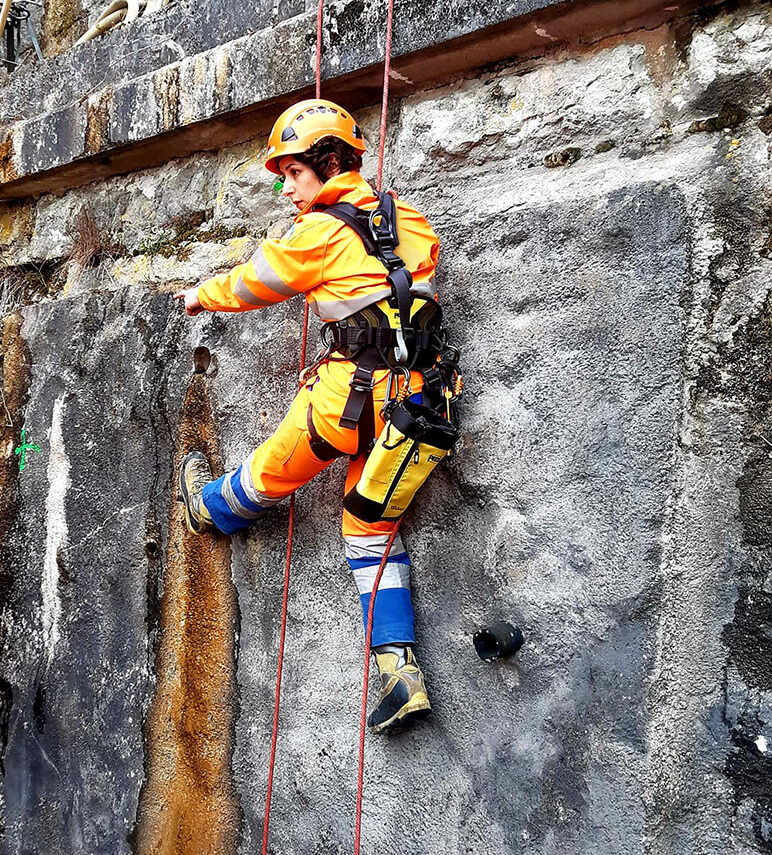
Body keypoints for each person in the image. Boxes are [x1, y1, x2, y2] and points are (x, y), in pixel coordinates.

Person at [173, 98, 444, 734]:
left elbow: (257, 282)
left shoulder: (319, 231)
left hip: (346, 402)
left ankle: (208, 508)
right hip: (418, 407)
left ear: (328, 163)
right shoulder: (408, 219)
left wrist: (198, 297)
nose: (287, 188)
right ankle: (398, 671)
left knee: (270, 472)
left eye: (293, 172)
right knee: (370, 528)